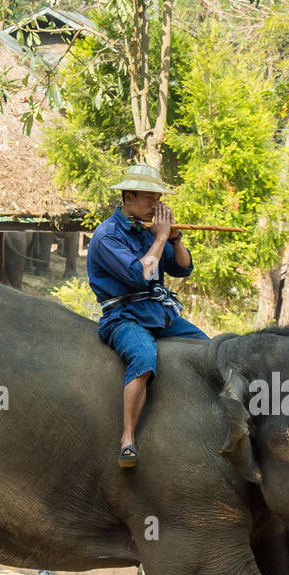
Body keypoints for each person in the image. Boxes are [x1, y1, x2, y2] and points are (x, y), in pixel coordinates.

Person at [86, 163, 205, 468]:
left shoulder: (150, 231)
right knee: (142, 354)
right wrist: (161, 238)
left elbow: (182, 268)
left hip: (156, 312)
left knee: (207, 348)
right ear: (128, 196)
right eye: (150, 198)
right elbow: (141, 275)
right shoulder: (107, 236)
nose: (156, 204)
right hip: (122, 315)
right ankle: (127, 439)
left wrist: (174, 238)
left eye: (158, 198)